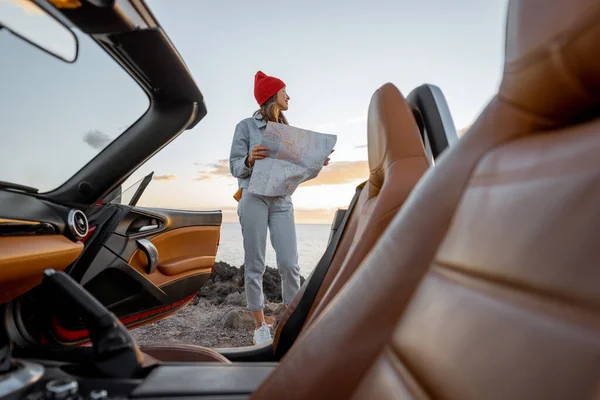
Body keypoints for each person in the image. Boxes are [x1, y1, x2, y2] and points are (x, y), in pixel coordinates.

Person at [229, 71, 330, 345]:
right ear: (272, 95)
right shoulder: (246, 127)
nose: (289, 97)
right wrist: (249, 159)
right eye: (285, 92)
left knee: (290, 264)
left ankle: (291, 320)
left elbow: (295, 173)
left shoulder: (289, 132)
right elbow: (234, 166)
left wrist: (315, 164)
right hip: (254, 197)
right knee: (255, 264)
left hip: (282, 200)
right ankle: (260, 326)